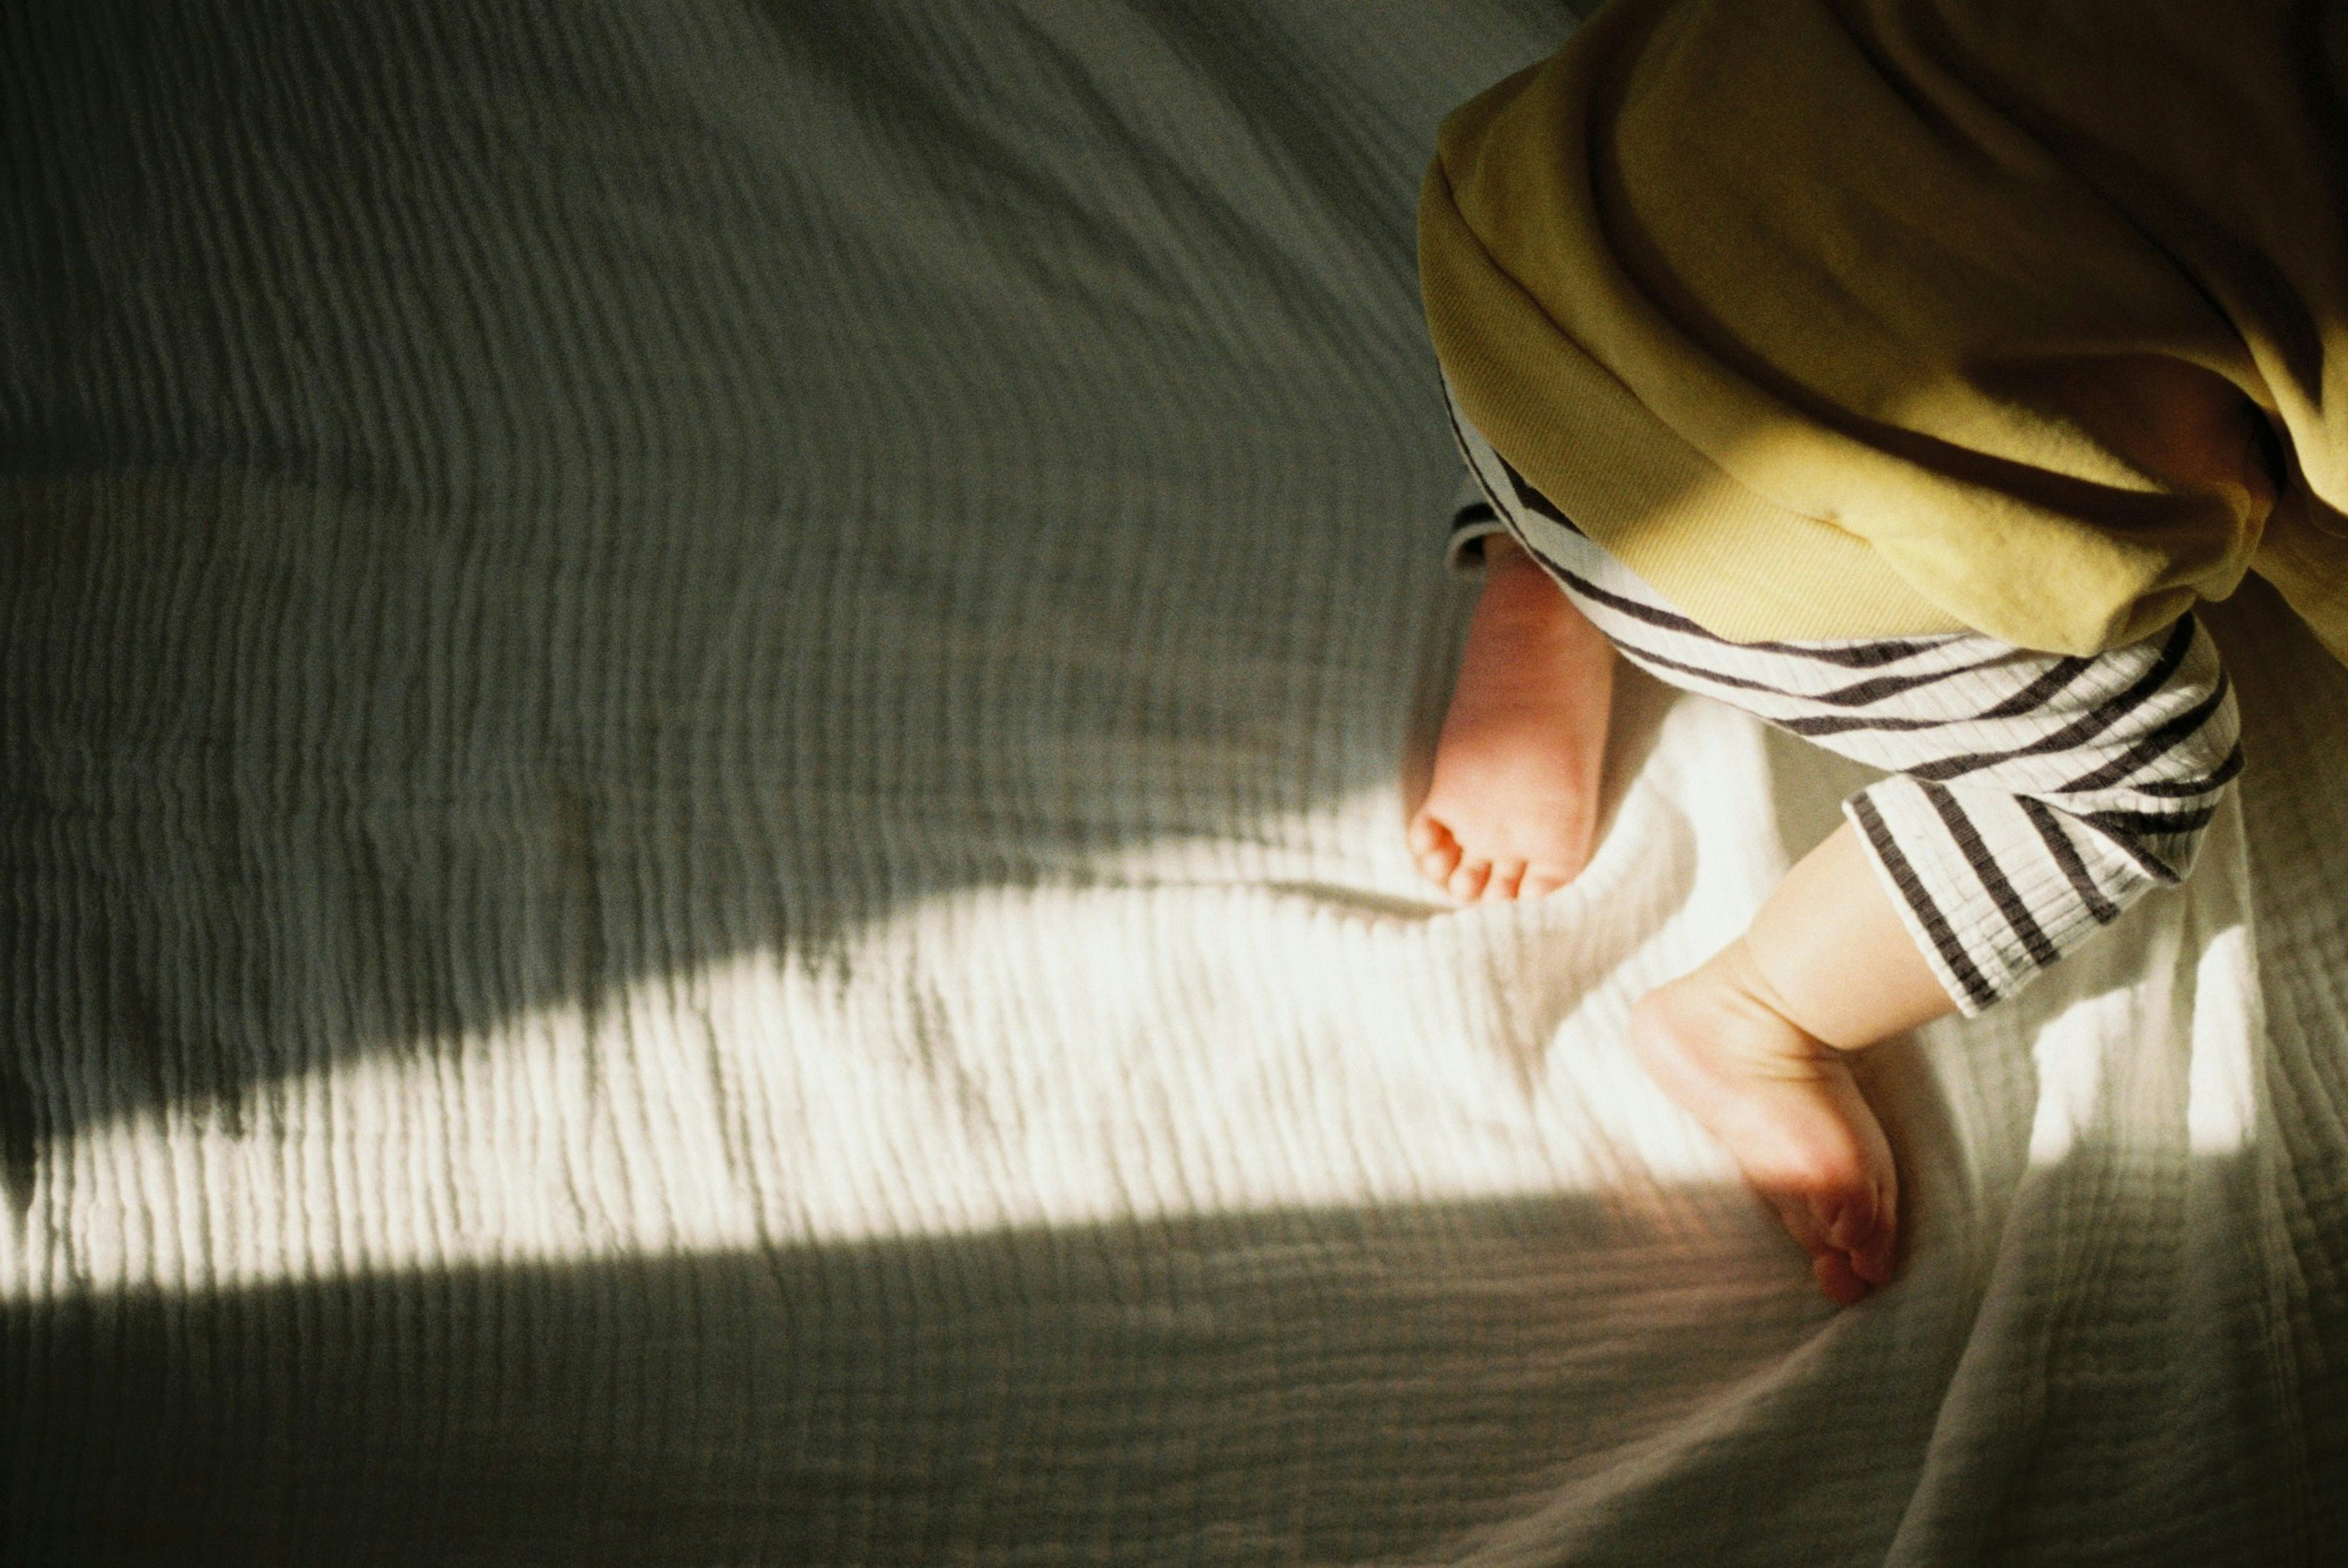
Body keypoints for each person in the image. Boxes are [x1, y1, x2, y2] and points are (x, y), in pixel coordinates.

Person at [1412, 0, 2348, 1303]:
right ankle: (1755, 1011)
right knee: (2145, 765)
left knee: (1739, 199)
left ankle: (1540, 568)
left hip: (1519, 264)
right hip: (1749, 533)